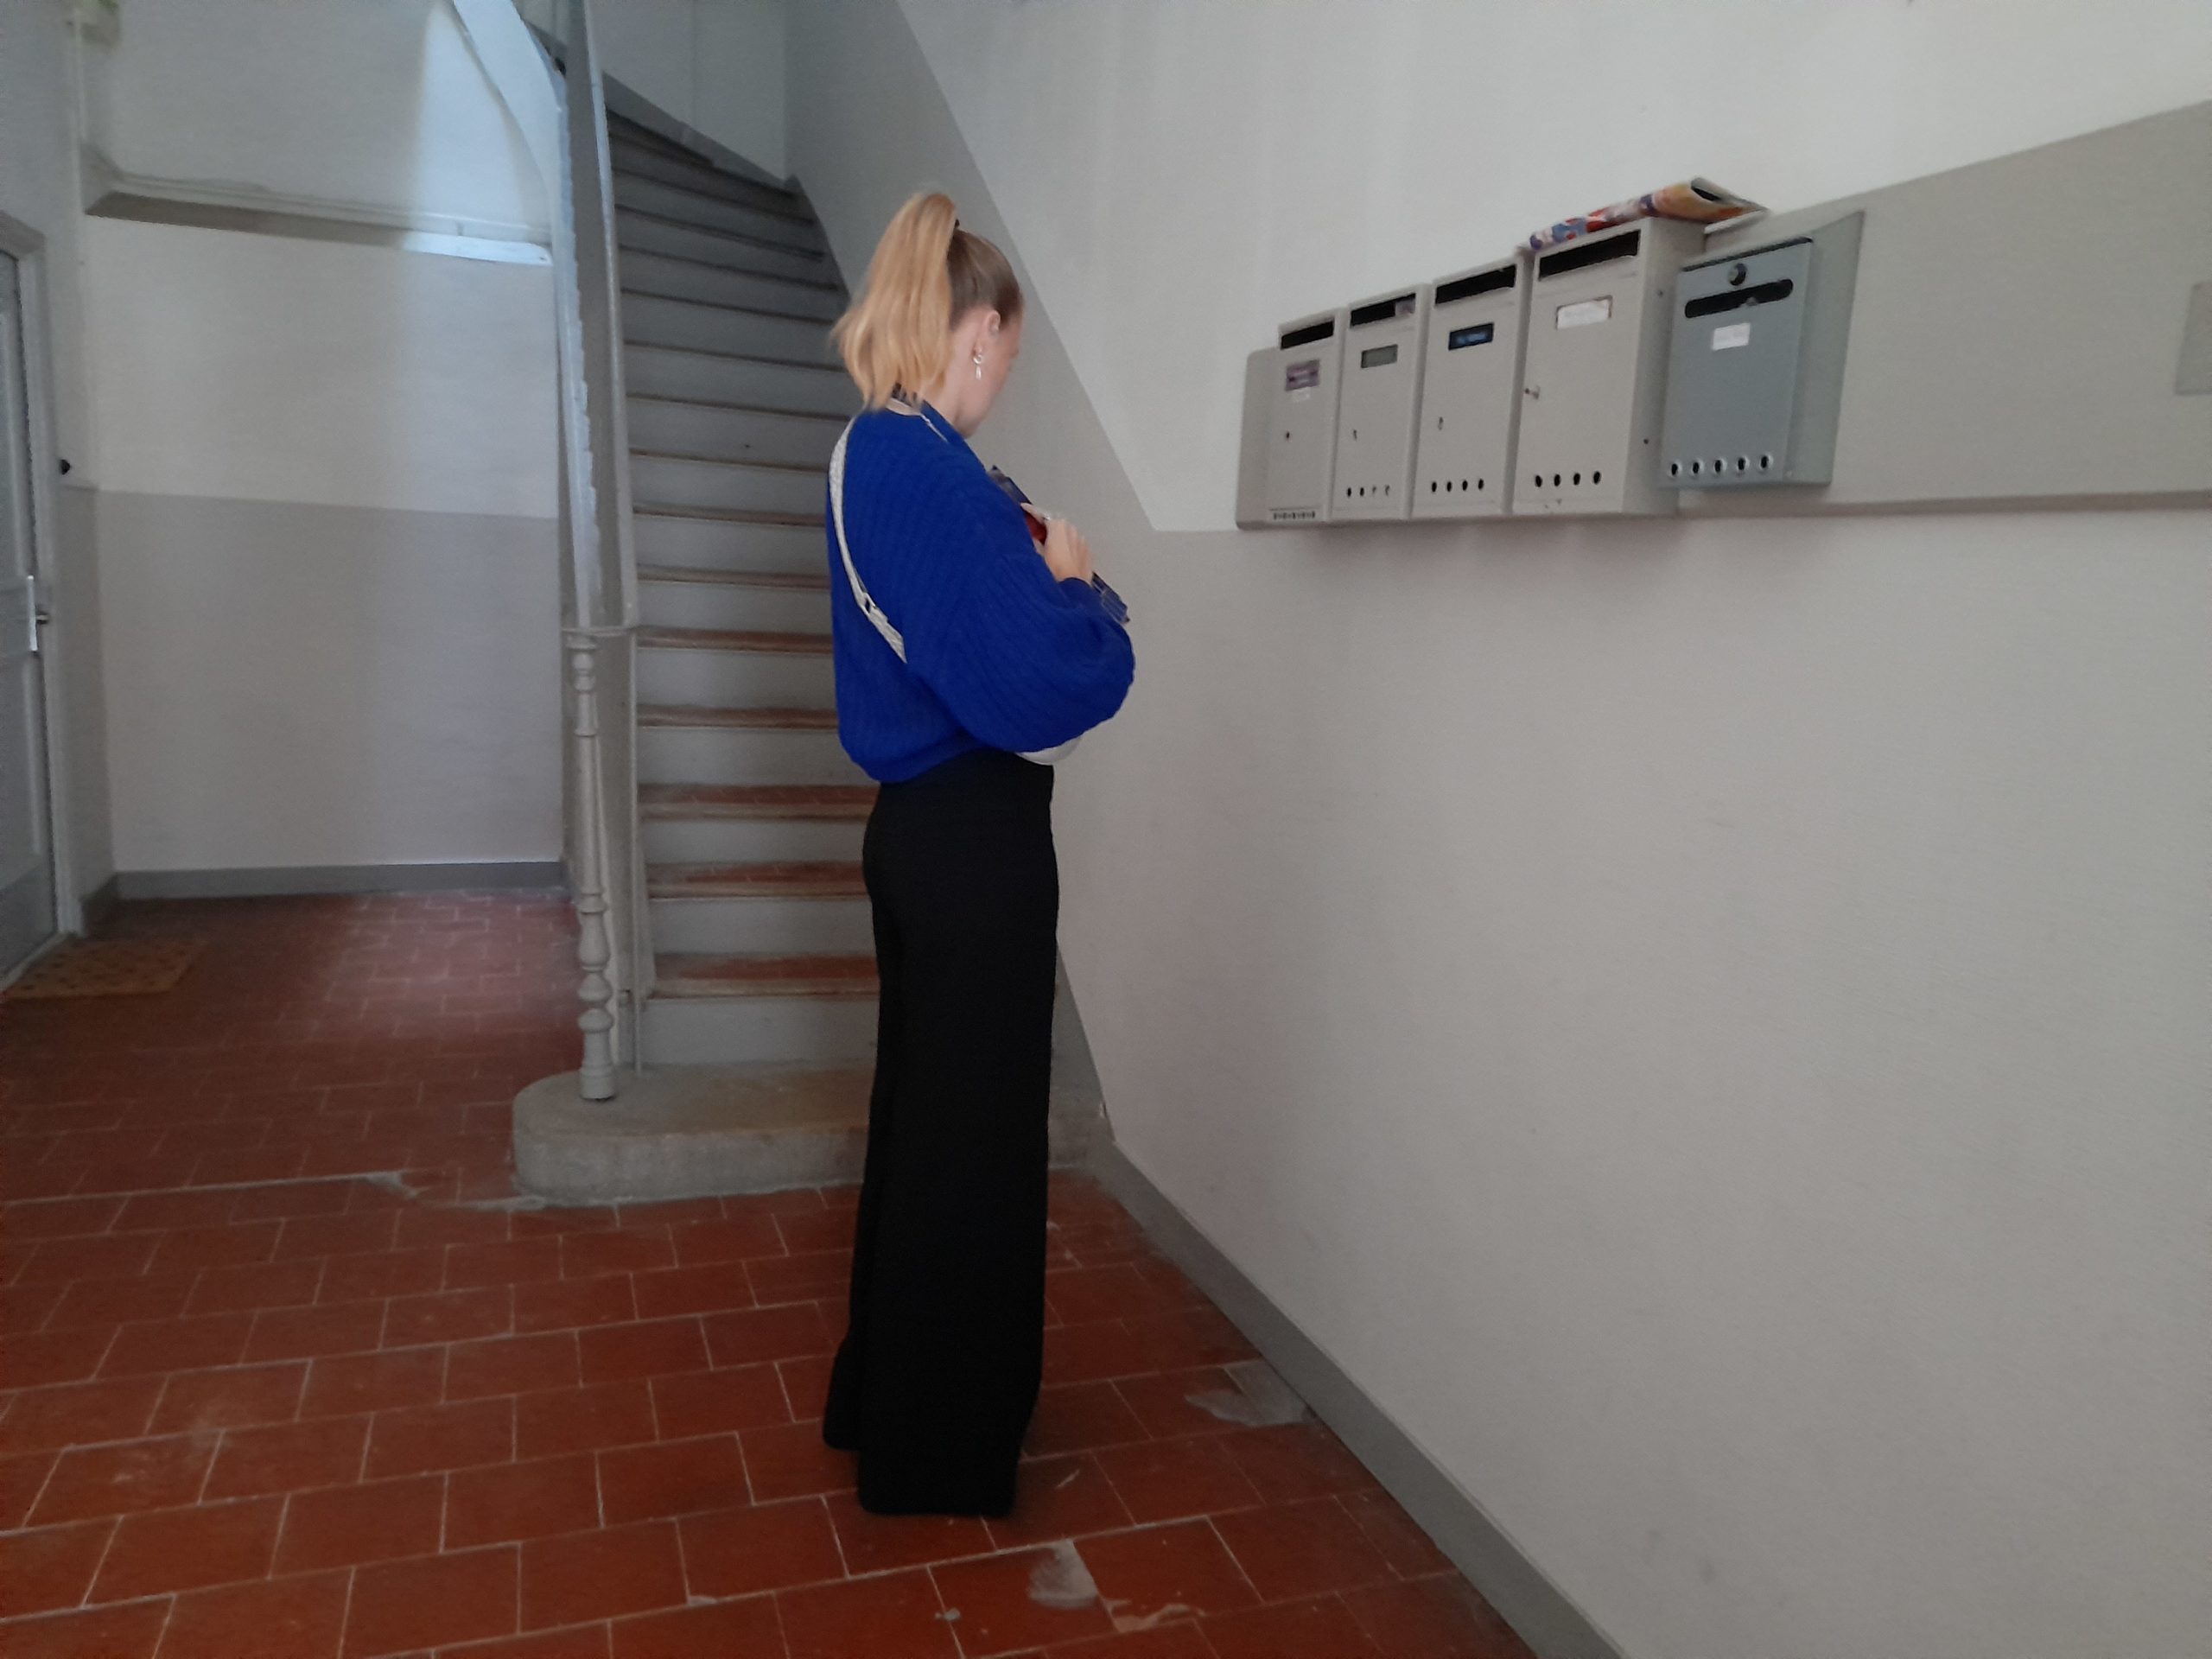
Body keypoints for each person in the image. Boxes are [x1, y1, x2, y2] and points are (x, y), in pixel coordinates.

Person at [819, 191, 1135, 1516]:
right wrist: (1086, 594)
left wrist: (1046, 587)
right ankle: (938, 1450)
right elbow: (1044, 679)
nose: (1006, 376)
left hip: (927, 833)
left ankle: (890, 1407)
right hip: (968, 839)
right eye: (1010, 351)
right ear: (982, 332)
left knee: (928, 1129)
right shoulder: (925, 465)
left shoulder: (879, 453)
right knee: (974, 1145)